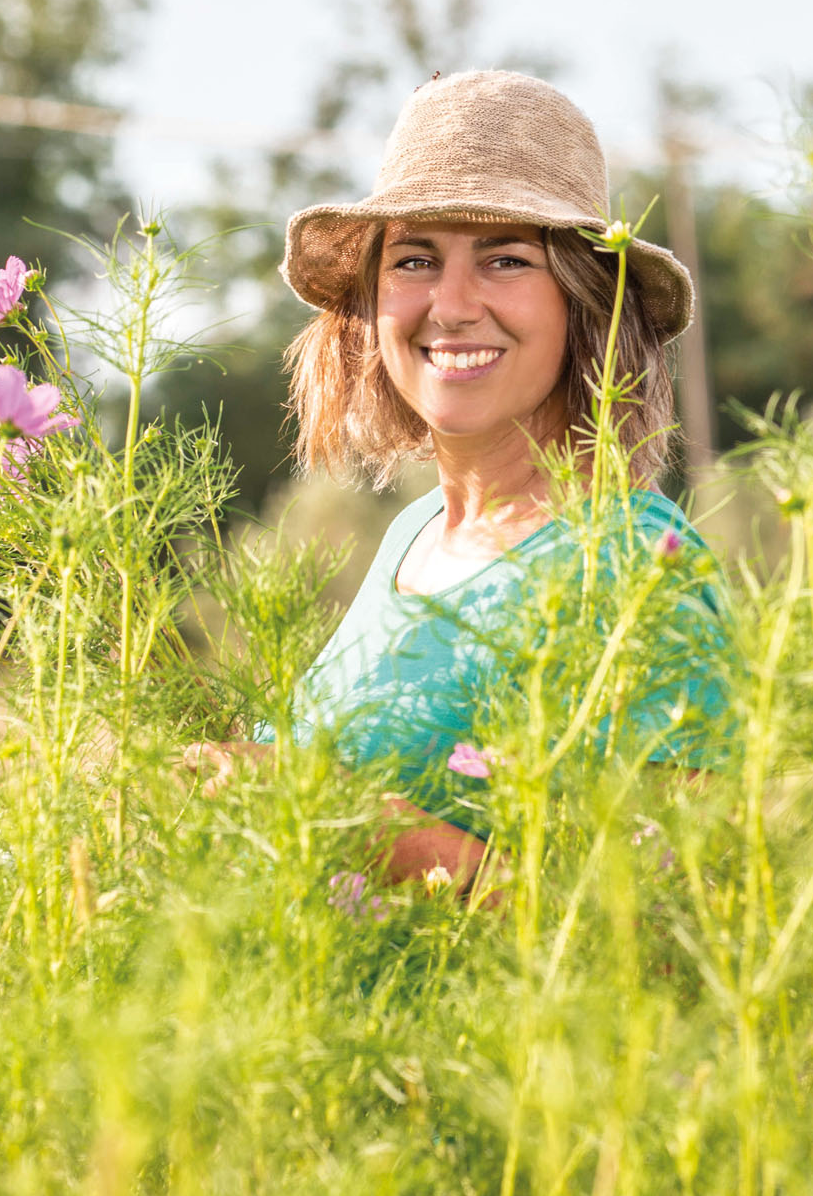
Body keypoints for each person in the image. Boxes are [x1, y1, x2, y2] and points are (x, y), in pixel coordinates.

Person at [197, 69, 730, 892]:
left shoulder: (634, 562)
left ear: (585, 303)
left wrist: (350, 822)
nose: (450, 304)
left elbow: (663, 925)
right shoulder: (414, 536)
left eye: (506, 260)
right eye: (414, 259)